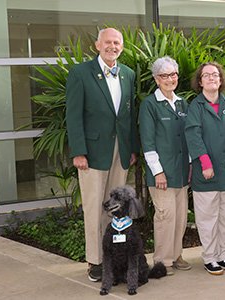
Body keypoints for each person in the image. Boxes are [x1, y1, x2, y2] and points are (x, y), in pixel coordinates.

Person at [66, 27, 138, 282]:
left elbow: (128, 116)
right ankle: (96, 261)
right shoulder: (80, 73)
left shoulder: (128, 74)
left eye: (117, 42)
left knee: (118, 208)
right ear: (97, 45)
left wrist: (131, 149)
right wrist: (79, 152)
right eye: (108, 42)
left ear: (122, 46)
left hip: (121, 151)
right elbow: (73, 116)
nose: (112, 46)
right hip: (93, 153)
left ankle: (116, 258)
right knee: (95, 208)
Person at [185, 62, 225, 275]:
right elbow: (193, 135)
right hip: (206, 173)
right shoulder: (195, 106)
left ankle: (223, 256)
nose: (212, 78)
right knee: (207, 217)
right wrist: (205, 164)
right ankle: (210, 257)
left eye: (215, 75)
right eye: (206, 75)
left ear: (221, 80)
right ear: (200, 81)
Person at [138, 57, 191, 276]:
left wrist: (189, 165)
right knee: (165, 216)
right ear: (156, 79)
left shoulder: (182, 103)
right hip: (162, 173)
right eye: (164, 75)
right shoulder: (150, 105)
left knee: (180, 217)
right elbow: (147, 141)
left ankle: (176, 255)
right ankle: (162, 261)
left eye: (173, 74)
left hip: (181, 172)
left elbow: (188, 137)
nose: (170, 79)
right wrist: (157, 171)